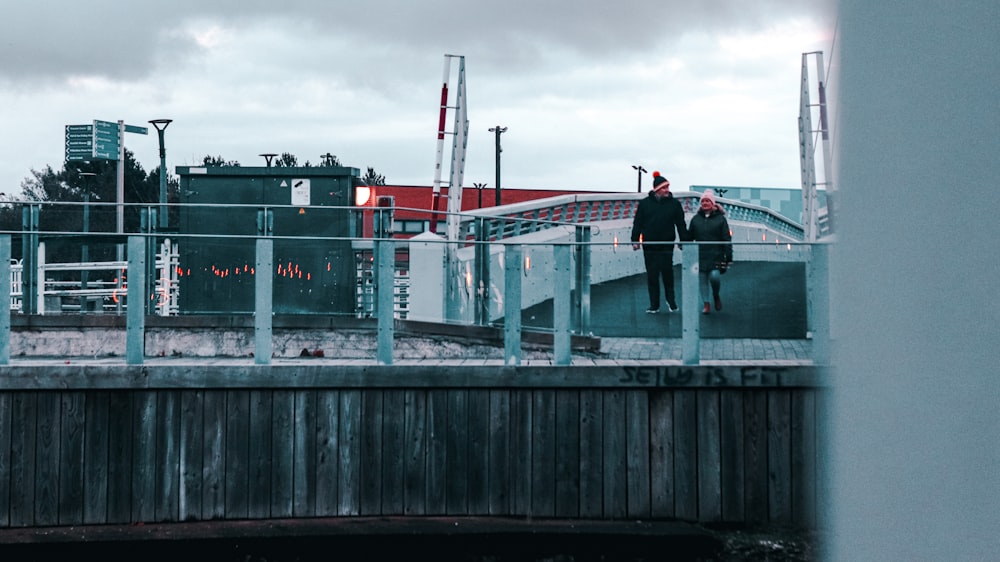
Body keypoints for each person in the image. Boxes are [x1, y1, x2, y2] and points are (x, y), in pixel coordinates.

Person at [630, 171, 688, 313]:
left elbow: (680, 224)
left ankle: (671, 302)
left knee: (668, 273)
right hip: (649, 244)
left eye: (668, 187)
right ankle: (654, 305)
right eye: (664, 188)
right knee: (652, 275)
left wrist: (684, 240)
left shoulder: (674, 204)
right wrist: (635, 240)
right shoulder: (644, 204)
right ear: (657, 189)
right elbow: (638, 223)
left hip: (667, 244)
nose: (667, 190)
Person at [687, 189, 733, 314]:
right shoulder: (696, 219)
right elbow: (690, 236)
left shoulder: (721, 219)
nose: (705, 203)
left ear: (713, 204)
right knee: (702, 280)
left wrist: (728, 257)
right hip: (700, 255)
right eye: (703, 201)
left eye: (707, 201)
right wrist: (683, 243)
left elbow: (726, 239)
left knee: (714, 277)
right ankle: (706, 304)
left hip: (716, 256)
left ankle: (716, 295)